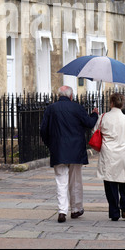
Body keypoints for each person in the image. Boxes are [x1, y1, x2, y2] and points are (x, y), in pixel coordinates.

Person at [40, 85, 98, 223]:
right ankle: (76, 209)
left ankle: (62, 211)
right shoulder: (77, 108)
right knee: (75, 181)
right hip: (76, 150)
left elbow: (43, 130)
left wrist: (50, 145)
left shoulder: (51, 109)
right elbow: (89, 123)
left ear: (58, 95)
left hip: (58, 149)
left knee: (61, 181)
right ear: (71, 96)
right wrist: (94, 113)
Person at [93, 92, 125, 221]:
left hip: (108, 154)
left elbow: (95, 132)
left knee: (110, 183)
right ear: (122, 104)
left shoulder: (103, 117)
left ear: (111, 103)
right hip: (124, 153)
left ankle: (114, 212)